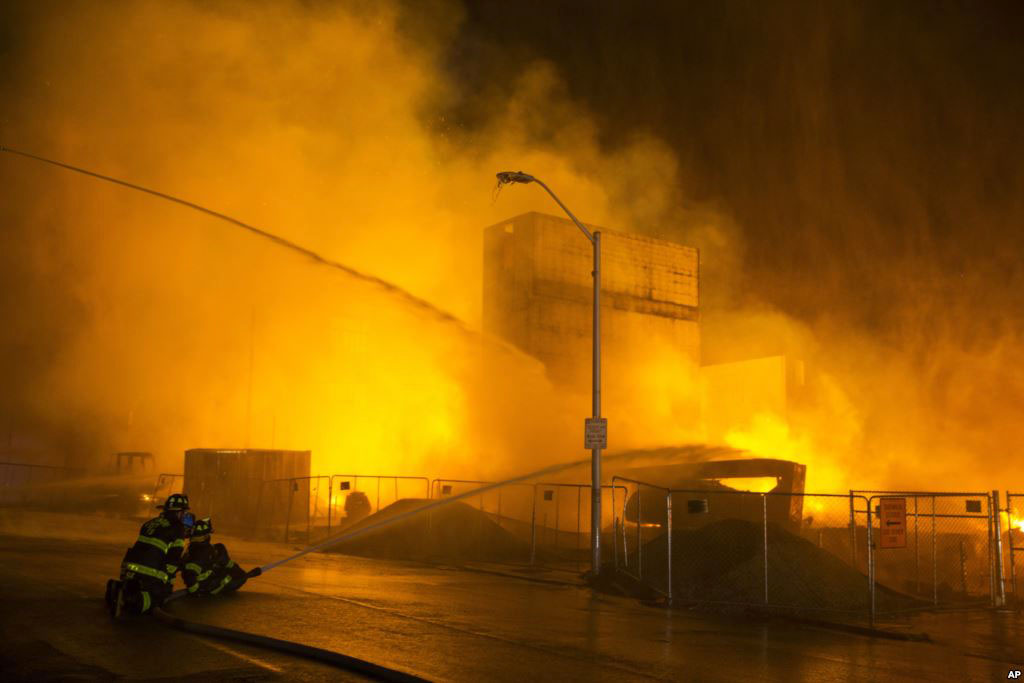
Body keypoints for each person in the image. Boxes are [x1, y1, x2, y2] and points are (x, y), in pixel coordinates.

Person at [106, 492, 191, 617]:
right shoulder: (178, 528)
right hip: (149, 570)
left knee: (138, 585)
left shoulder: (150, 523)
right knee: (159, 596)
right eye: (184, 513)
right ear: (179, 512)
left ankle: (117, 587)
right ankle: (129, 601)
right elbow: (174, 557)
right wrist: (168, 579)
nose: (184, 516)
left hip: (129, 566)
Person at [181, 517, 252, 596]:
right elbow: (190, 574)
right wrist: (196, 591)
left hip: (204, 583)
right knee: (235, 578)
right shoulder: (205, 551)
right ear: (205, 536)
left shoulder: (191, 549)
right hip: (208, 587)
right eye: (208, 534)